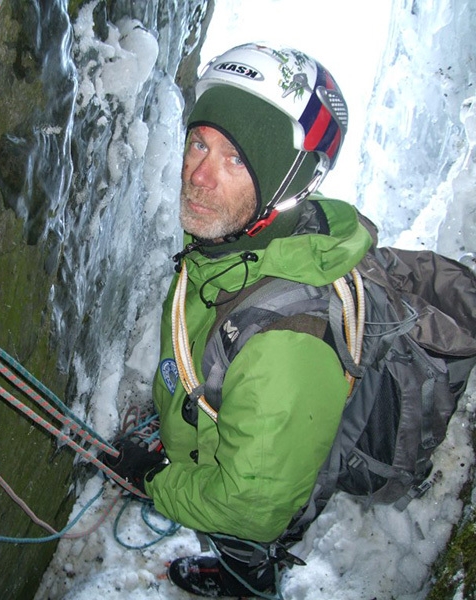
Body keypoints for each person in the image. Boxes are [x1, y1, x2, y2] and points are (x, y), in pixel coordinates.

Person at [101, 42, 373, 597]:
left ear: (286, 182)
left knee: (243, 542)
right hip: (229, 448)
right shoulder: (229, 243)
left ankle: (245, 582)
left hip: (252, 496)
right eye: (199, 143)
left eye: (236, 159)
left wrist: (156, 480)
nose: (198, 176)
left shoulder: (286, 348)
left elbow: (250, 509)